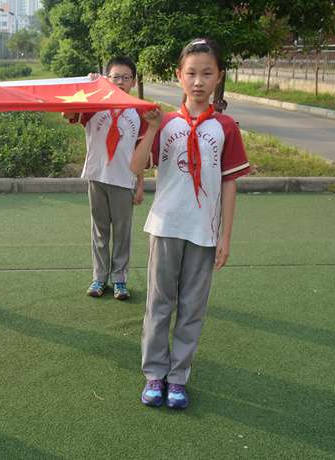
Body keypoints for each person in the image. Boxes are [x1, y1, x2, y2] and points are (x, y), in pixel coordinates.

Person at [130, 38, 250, 409]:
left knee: (192, 308)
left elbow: (229, 184)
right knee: (159, 304)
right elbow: (136, 166)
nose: (198, 81)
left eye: (207, 73)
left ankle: (178, 377)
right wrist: (151, 129)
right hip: (166, 227)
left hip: (203, 233)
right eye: (191, 73)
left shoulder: (226, 127)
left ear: (219, 77)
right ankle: (155, 373)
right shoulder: (164, 122)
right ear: (179, 76)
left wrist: (225, 236)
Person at [64, 56, 146, 301]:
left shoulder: (139, 112)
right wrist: (88, 88)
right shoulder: (95, 105)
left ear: (133, 82)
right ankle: (99, 277)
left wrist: (140, 184)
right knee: (99, 230)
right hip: (97, 176)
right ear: (107, 78)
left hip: (124, 180)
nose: (120, 82)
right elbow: (68, 112)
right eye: (115, 77)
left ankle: (119, 279)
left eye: (126, 77)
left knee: (122, 233)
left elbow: (141, 152)